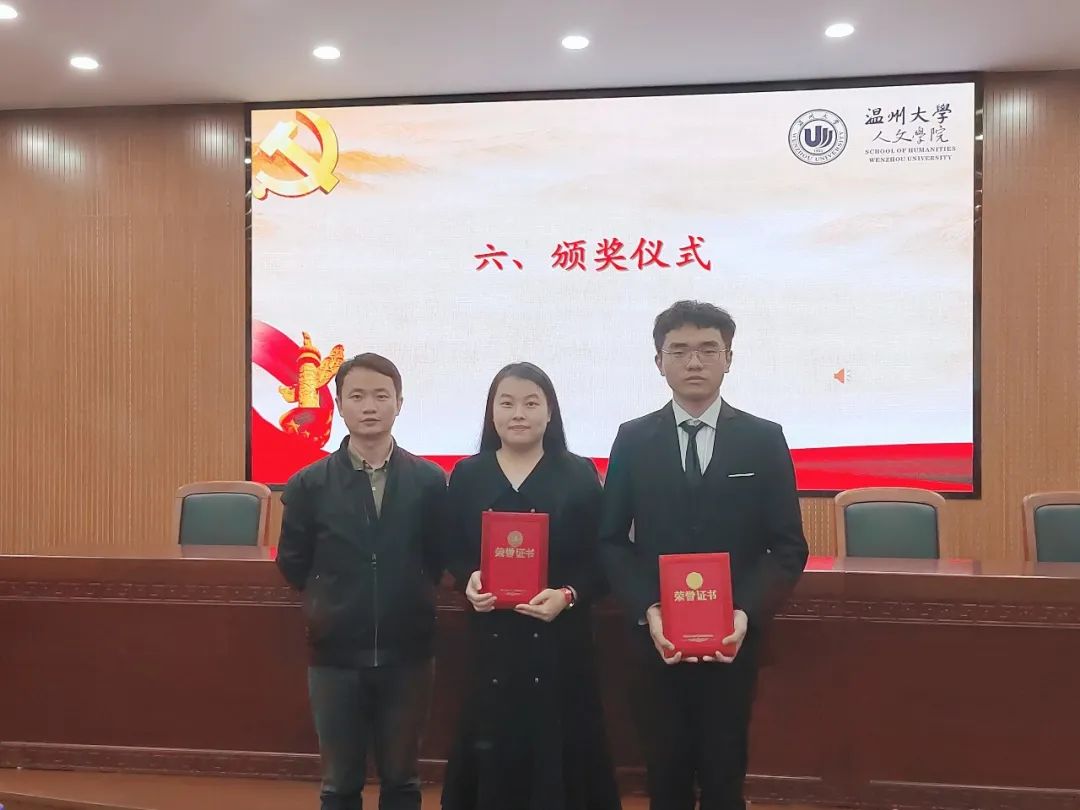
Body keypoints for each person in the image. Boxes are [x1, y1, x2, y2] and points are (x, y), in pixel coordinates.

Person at [599, 301, 809, 810]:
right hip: (657, 639)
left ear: (728, 359)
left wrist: (744, 613)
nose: (694, 362)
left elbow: (787, 546)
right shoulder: (633, 439)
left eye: (708, 350)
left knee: (723, 775)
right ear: (659, 362)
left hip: (732, 642)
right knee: (664, 774)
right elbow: (610, 540)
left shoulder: (763, 439)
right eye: (680, 350)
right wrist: (648, 609)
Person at [441, 362, 622, 810]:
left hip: (561, 641)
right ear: (492, 412)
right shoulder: (468, 475)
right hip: (492, 641)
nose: (518, 413)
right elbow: (452, 550)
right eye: (506, 403)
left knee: (560, 755)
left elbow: (603, 559)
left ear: (550, 412)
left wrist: (567, 596)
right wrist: (468, 580)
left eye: (530, 403)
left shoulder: (578, 474)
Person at [277, 353, 448, 810]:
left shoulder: (430, 482)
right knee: (339, 785)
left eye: (380, 396)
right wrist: (332, 603)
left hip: (408, 653)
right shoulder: (309, 484)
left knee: (402, 781)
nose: (369, 406)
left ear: (399, 403)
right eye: (356, 396)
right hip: (335, 654)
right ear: (339, 405)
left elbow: (437, 559)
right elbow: (293, 563)